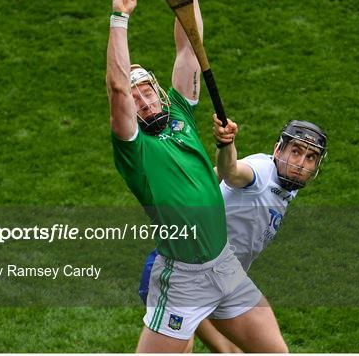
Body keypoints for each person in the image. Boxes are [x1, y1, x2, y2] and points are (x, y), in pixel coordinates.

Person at [107, 0, 288, 353]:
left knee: (276, 352)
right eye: (135, 98)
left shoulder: (180, 118)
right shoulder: (133, 149)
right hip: (183, 278)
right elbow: (116, 87)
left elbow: (189, 47)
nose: (143, 99)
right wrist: (119, 19)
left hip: (224, 266)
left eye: (147, 90)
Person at [139, 116, 328, 352]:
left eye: (310, 157)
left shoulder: (287, 186)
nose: (300, 163)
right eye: (296, 151)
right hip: (184, 277)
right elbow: (231, 171)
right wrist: (225, 145)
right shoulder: (261, 171)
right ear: (278, 149)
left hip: (227, 278)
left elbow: (216, 175)